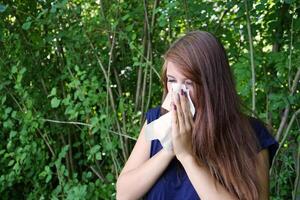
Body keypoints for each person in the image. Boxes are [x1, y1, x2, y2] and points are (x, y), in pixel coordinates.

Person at [116, 31, 279, 200]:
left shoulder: (252, 135)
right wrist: (171, 148)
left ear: (212, 86)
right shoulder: (158, 120)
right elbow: (123, 194)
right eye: (172, 80)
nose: (178, 93)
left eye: (188, 83)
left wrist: (188, 157)